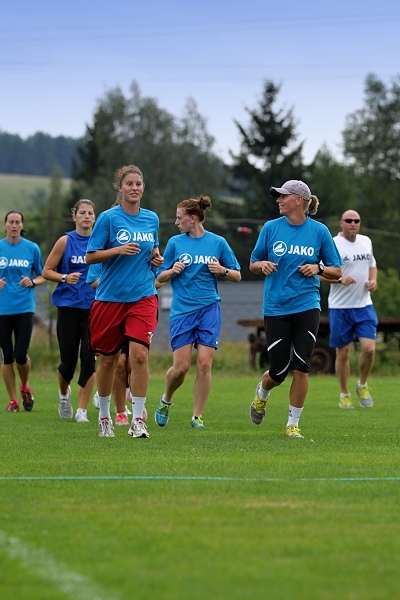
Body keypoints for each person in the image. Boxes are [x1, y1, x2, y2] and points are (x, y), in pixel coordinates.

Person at [248, 180, 342, 438]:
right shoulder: (270, 228)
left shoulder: (319, 231)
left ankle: (292, 424)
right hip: (276, 307)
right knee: (278, 371)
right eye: (278, 196)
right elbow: (253, 263)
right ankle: (262, 393)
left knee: (302, 365)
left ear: (299, 200)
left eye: (283, 196)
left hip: (307, 305)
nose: (278, 200)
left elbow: (336, 271)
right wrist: (262, 265)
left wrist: (318, 268)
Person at [85, 164, 163, 438]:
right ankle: (105, 417)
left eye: (138, 184)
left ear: (143, 188)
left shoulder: (151, 218)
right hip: (110, 298)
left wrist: (156, 259)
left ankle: (138, 419)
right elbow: (90, 257)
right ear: (120, 188)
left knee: (139, 356)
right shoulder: (108, 219)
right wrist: (117, 250)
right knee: (108, 361)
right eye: (129, 184)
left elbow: (153, 250)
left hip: (143, 295)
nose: (134, 188)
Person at [155, 195, 241, 429]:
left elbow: (237, 275)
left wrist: (222, 270)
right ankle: (166, 400)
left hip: (209, 309)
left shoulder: (218, 242)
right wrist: (172, 270)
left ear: (192, 218)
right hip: (182, 311)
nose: (176, 222)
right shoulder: (175, 243)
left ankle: (197, 417)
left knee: (204, 364)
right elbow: (159, 279)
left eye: (179, 218)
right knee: (181, 368)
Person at [42, 199, 97, 422]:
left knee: (89, 359)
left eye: (90, 213)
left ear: (95, 217)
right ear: (74, 217)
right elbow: (46, 271)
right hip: (68, 307)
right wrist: (64, 277)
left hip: (93, 307)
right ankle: (64, 395)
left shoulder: (100, 242)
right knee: (68, 363)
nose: (86, 216)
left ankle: (82, 410)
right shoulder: (65, 241)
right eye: (82, 213)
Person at [320, 210, 378, 409]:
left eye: (356, 220)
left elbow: (372, 265)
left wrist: (373, 280)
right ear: (341, 223)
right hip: (340, 307)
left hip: (364, 305)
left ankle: (362, 384)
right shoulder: (333, 244)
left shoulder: (366, 241)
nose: (353, 223)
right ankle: (344, 393)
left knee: (369, 349)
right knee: (343, 353)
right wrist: (339, 279)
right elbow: (320, 273)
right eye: (349, 220)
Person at [0, 211, 45, 412]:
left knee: (20, 355)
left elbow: (43, 275)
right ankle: (13, 401)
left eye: (17, 222)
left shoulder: (32, 248)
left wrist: (32, 281)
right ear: (5, 225)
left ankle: (25, 386)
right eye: (11, 222)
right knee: (6, 356)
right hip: (2, 308)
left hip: (24, 307)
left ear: (22, 225)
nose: (14, 225)